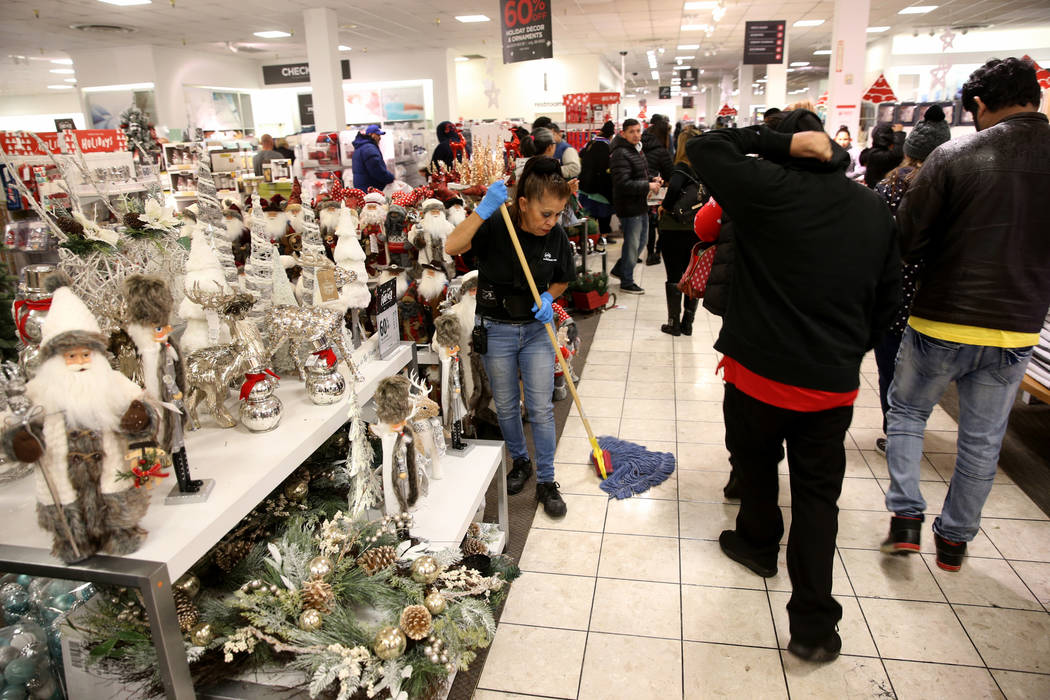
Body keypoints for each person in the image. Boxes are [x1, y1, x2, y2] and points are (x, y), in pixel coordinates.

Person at [688, 110, 900, 663]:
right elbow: (890, 300)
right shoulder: (872, 209)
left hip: (757, 372)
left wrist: (775, 141)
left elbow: (704, 147)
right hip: (829, 385)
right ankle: (811, 623)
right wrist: (848, 352)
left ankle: (758, 544)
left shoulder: (767, 190)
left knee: (755, 465)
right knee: (817, 497)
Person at [881, 57, 1050, 572]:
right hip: (1019, 323)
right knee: (983, 436)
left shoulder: (953, 156)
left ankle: (906, 518)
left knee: (908, 412)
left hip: (941, 315)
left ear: (978, 104)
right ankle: (954, 541)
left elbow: (909, 239)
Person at [445, 157, 574, 518]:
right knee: (505, 406)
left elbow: (563, 277)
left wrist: (550, 296)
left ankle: (547, 479)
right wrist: (483, 210)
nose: (552, 222)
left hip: (536, 333)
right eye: (546, 213)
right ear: (522, 204)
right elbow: (452, 246)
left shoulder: (556, 235)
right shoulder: (495, 224)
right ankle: (521, 462)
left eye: (558, 214)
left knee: (541, 408)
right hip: (496, 331)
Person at [871, 105, 951, 455]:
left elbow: (872, 238)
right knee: (925, 371)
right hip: (935, 295)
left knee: (890, 366)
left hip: (893, 292)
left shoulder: (889, 186)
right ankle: (912, 427)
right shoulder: (956, 188)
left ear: (909, 151)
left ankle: (895, 430)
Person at [657, 126, 702, 335]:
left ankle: (673, 323)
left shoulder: (682, 168)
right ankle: (688, 323)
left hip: (674, 228)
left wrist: (665, 206)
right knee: (691, 273)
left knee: (674, 273)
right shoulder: (705, 169)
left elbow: (674, 189)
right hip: (697, 227)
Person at [610, 118, 662, 294]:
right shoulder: (620, 153)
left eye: (638, 131)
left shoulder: (635, 150)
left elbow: (638, 175)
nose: (636, 135)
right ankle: (627, 281)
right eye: (632, 131)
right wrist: (648, 186)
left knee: (641, 242)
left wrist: (651, 179)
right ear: (623, 133)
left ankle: (620, 269)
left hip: (639, 204)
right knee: (633, 245)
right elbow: (623, 183)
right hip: (628, 205)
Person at [643, 119, 674, 266]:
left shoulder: (640, 146)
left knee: (648, 224)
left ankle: (649, 252)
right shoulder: (662, 151)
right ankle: (657, 252)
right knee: (661, 222)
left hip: (642, 188)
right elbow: (670, 173)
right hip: (657, 190)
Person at [578, 121, 616, 236]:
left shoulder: (590, 143)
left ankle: (590, 237)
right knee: (604, 215)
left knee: (589, 215)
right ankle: (602, 238)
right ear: (611, 136)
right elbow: (606, 169)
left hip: (585, 185)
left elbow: (581, 156)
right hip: (599, 188)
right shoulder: (606, 147)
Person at [860, 123, 905, 188]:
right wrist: (899, 134)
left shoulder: (873, 153)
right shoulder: (876, 154)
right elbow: (897, 154)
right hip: (878, 193)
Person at [351, 124, 395, 192]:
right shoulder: (369, 148)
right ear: (371, 134)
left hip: (363, 187)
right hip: (370, 189)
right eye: (378, 135)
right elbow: (377, 170)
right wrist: (390, 178)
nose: (380, 138)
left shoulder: (361, 146)